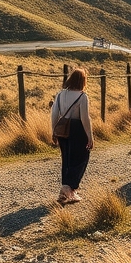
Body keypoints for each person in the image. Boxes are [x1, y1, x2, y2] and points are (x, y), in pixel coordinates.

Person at [50, 67, 94, 205]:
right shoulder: (82, 97)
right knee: (81, 159)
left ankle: (67, 191)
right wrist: (90, 136)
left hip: (62, 130)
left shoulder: (60, 94)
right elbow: (85, 118)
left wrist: (54, 131)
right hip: (77, 130)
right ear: (83, 81)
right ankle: (69, 188)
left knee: (67, 160)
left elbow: (54, 114)